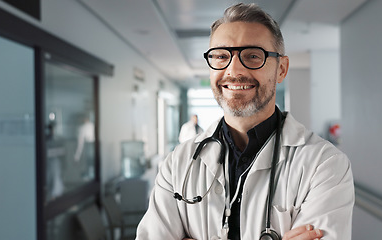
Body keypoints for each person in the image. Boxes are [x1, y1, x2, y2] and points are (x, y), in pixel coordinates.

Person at [136, 3, 354, 240]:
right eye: (221, 56)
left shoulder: (324, 165)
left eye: (252, 56)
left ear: (281, 69)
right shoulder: (178, 164)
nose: (234, 69)